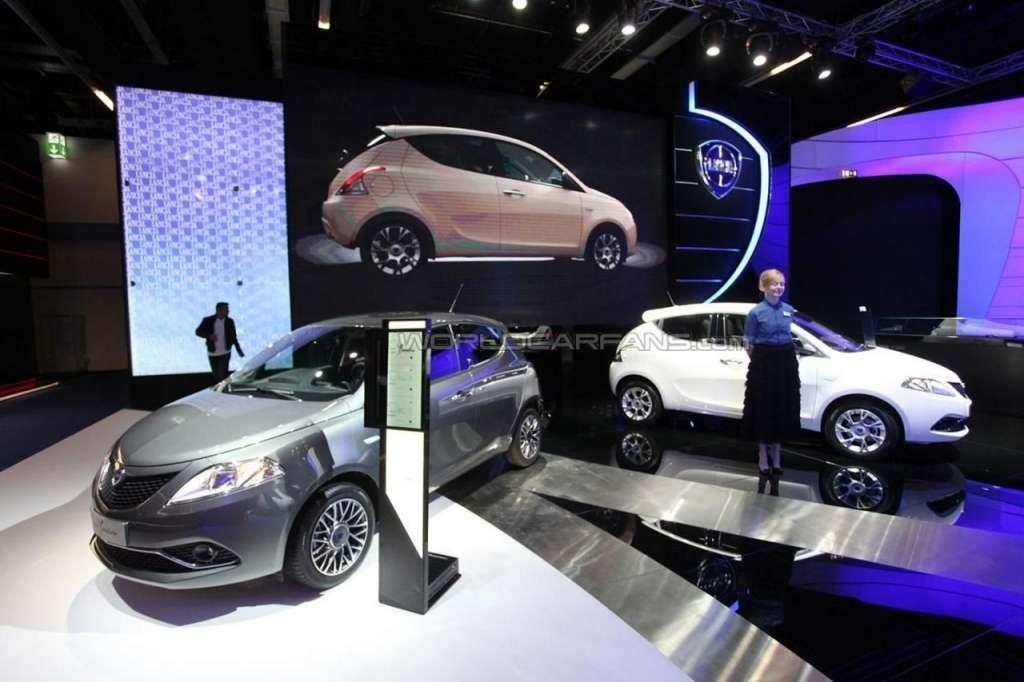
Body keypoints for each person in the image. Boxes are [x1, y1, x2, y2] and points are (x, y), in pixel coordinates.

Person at [742, 269, 800, 496]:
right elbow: (748, 343)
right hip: (763, 363)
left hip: (785, 361)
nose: (779, 288)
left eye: (782, 284)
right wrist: (760, 362)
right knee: (763, 409)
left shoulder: (789, 310)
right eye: (774, 284)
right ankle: (762, 455)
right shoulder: (755, 313)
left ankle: (776, 454)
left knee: (781, 408)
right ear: (764, 286)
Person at [195, 302, 244, 382]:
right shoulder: (208, 320)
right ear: (219, 310)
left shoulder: (230, 321)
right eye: (226, 309)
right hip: (212, 353)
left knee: (222, 376)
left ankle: (224, 388)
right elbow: (198, 332)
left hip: (225, 352)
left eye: (228, 309)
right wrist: (208, 336)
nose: (228, 311)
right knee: (217, 377)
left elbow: (233, 336)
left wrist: (239, 350)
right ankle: (223, 388)